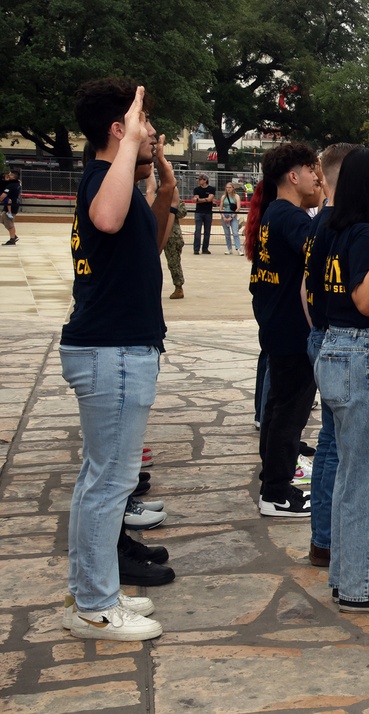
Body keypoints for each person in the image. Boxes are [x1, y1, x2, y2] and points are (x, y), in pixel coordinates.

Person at [61, 79, 178, 641]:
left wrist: (162, 194)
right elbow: (106, 221)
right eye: (144, 124)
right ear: (119, 128)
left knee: (101, 481)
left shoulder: (122, 187)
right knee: (109, 483)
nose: (154, 134)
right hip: (112, 353)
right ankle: (94, 604)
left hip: (121, 351)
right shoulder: (100, 184)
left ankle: (95, 587)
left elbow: (141, 248)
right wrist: (135, 140)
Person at [311, 149, 369, 612]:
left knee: (351, 474)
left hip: (333, 347)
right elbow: (367, 301)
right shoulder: (367, 234)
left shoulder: (330, 228)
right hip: (364, 352)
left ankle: (345, 574)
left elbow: (312, 296)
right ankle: (363, 585)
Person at [246, 142, 320, 517]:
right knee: (288, 414)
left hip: (277, 327)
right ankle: (276, 492)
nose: (316, 177)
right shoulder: (291, 217)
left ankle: (274, 481)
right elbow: (322, 257)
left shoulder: (274, 214)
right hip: (292, 332)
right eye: (311, 170)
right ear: (294, 176)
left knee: (277, 410)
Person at [302, 142, 358, 568]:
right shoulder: (336, 226)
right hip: (333, 337)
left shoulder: (322, 222)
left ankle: (323, 537)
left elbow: (306, 291)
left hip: (322, 335)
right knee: (336, 448)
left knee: (328, 444)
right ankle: (327, 537)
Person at [191, 172, 216, 254]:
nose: (199, 181)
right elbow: (196, 199)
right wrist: (205, 200)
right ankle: (196, 249)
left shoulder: (211, 189)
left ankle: (205, 248)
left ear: (205, 180)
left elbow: (210, 199)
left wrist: (201, 200)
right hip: (199, 212)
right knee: (197, 230)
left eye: (200, 179)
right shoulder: (196, 189)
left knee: (207, 231)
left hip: (208, 212)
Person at [220, 182, 242, 255]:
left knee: (235, 233)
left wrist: (232, 216)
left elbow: (238, 208)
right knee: (227, 234)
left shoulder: (236, 196)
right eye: (227, 187)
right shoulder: (223, 196)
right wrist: (223, 216)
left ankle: (238, 248)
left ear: (233, 188)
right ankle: (229, 248)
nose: (228, 189)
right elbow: (220, 208)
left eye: (230, 187)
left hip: (233, 214)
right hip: (225, 214)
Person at [1, 168, 21, 245]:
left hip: (11, 205)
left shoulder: (11, 185)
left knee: (9, 223)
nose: (8, 175)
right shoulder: (16, 183)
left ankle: (12, 239)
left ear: (14, 176)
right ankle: (13, 235)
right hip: (11, 205)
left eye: (10, 174)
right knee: (3, 219)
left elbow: (3, 196)